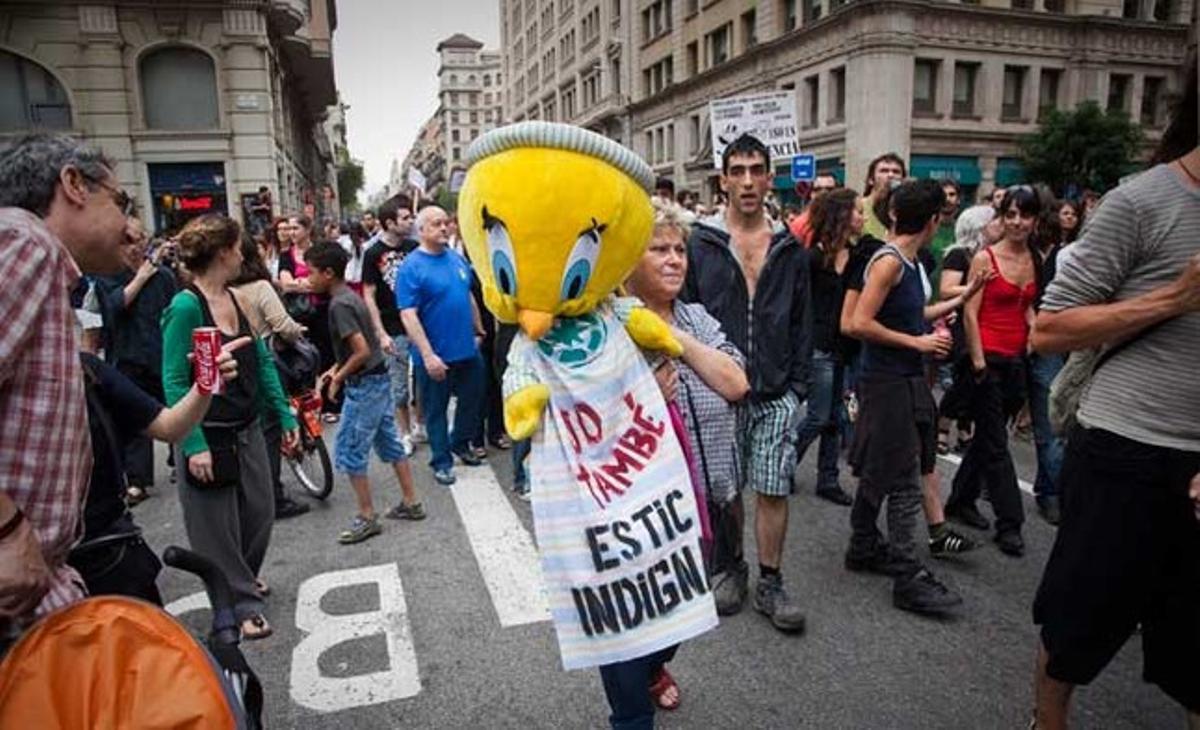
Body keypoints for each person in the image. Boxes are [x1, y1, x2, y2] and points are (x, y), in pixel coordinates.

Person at [1029, 57, 1199, 729]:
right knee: (1075, 628)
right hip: (1126, 454)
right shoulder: (1144, 200)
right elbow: (1051, 328)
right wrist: (1173, 299)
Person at [0, 132, 130, 646]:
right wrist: (9, 533)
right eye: (120, 202)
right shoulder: (25, 243)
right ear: (73, 185)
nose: (127, 224)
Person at [682, 133, 810, 633]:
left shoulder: (789, 248)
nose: (748, 180)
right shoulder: (702, 243)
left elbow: (804, 320)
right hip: (719, 390)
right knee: (725, 488)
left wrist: (799, 387)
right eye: (738, 171)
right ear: (724, 180)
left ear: (770, 176)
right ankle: (729, 567)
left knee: (774, 487)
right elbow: (685, 314)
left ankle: (771, 581)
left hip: (777, 391)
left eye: (757, 169)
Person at [161, 213, 299, 640]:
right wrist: (193, 443)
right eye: (238, 248)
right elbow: (173, 378)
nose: (243, 255)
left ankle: (240, 578)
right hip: (210, 433)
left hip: (248, 426)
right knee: (215, 529)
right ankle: (240, 602)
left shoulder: (237, 298)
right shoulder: (186, 306)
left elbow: (261, 362)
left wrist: (285, 412)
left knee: (260, 513)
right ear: (223, 252)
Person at [842, 179, 963, 614]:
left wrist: (964, 296)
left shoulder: (911, 263)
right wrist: (918, 344)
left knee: (881, 471)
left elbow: (912, 315)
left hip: (906, 380)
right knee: (907, 482)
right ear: (933, 221)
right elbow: (857, 323)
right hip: (887, 381)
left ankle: (861, 546)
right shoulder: (889, 262)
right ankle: (907, 576)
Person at [626, 199, 750, 582]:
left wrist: (670, 333)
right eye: (659, 249)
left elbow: (736, 384)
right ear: (629, 260)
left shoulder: (696, 317)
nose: (675, 260)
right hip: (648, 506)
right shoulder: (610, 328)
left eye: (680, 250)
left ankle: (732, 570)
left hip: (713, 491)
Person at [69, 343, 244, 604]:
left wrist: (205, 382)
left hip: (110, 557)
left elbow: (169, 426)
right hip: (23, 579)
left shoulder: (85, 369)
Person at [304, 242, 426, 544]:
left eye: (312, 273)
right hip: (376, 380)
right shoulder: (349, 297)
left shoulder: (340, 305)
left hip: (365, 385)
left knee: (350, 449)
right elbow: (360, 347)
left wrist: (338, 378)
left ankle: (367, 516)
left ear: (329, 273)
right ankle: (411, 502)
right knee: (389, 442)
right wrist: (336, 368)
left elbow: (360, 350)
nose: (308, 279)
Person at [944, 187, 1040, 557]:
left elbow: (1029, 305)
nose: (1017, 222)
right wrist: (979, 361)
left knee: (990, 436)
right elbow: (970, 310)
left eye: (1025, 215)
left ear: (1034, 220)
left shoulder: (1035, 258)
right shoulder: (984, 258)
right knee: (998, 446)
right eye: (1010, 215)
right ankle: (1010, 523)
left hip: (1018, 360)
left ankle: (960, 499)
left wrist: (1036, 332)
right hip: (987, 360)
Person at [397, 205, 486, 486]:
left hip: (467, 349)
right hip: (434, 355)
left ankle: (460, 443)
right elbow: (408, 314)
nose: (444, 227)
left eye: (445, 222)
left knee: (473, 400)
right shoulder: (411, 266)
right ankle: (442, 461)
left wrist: (479, 329)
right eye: (436, 224)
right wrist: (427, 354)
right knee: (436, 409)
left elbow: (467, 295)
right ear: (421, 230)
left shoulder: (457, 259)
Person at [94, 216, 178, 504]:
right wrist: (140, 278)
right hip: (129, 357)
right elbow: (111, 309)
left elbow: (175, 312)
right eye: (125, 240)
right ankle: (138, 480)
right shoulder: (108, 277)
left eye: (137, 239)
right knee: (135, 420)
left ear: (145, 241)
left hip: (162, 353)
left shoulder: (164, 276)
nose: (132, 247)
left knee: (174, 407)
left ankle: (180, 460)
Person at [230, 235, 310, 520]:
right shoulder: (260, 287)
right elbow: (281, 324)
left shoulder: (222, 292)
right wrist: (296, 330)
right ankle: (273, 496)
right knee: (272, 428)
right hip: (264, 358)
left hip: (234, 367)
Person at [794, 189, 861, 506]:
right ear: (842, 216)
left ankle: (828, 479)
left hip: (844, 347)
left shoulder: (856, 254)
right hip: (817, 347)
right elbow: (799, 306)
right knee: (818, 416)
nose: (862, 218)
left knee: (835, 418)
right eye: (857, 211)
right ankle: (782, 464)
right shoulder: (812, 257)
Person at [937, 205, 1003, 455]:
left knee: (976, 382)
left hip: (987, 321)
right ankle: (942, 428)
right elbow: (946, 289)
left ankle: (966, 431)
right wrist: (976, 287)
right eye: (994, 221)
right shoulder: (959, 254)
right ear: (979, 226)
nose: (1000, 225)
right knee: (964, 377)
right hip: (964, 321)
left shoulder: (993, 254)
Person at [362, 194, 419, 454]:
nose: (411, 221)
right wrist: (380, 333)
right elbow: (369, 294)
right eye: (405, 218)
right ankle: (404, 433)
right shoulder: (372, 253)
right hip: (392, 326)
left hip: (418, 323)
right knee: (398, 387)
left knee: (422, 378)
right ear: (389, 222)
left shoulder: (414, 247)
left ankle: (421, 424)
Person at [861, 153, 906, 239]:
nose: (891, 175)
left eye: (896, 172)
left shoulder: (904, 210)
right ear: (871, 180)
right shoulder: (859, 207)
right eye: (884, 171)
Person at [930, 179, 962, 262]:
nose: (947, 199)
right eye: (943, 195)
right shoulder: (926, 228)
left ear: (958, 200)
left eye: (952, 194)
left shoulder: (962, 229)